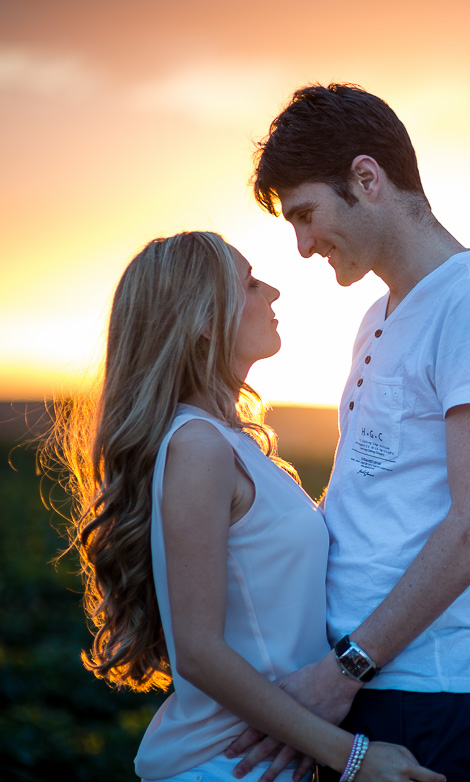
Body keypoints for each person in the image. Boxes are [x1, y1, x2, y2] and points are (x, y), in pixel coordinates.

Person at [227, 83, 470, 782]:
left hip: (418, 691)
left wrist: (347, 668)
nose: (303, 245)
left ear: (366, 179)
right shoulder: (377, 315)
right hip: (357, 682)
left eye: (306, 214)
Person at [48, 231, 444, 782]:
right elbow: (199, 654)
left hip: (258, 760)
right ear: (204, 321)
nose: (274, 292)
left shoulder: (228, 441)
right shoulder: (197, 447)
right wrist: (350, 756)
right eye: (252, 283)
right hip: (218, 766)